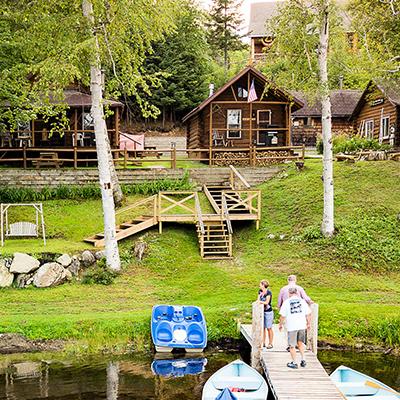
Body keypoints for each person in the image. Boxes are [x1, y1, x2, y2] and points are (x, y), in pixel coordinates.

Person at [279, 287, 311, 369]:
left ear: (289, 293)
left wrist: (280, 324)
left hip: (292, 326)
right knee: (300, 343)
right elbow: (308, 314)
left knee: (292, 345)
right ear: (296, 293)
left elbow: (282, 315)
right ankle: (303, 360)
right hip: (302, 325)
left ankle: (294, 362)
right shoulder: (302, 301)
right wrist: (308, 323)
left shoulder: (286, 302)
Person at [258, 279, 274, 349]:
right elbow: (258, 299)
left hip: (268, 312)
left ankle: (270, 343)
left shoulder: (268, 292)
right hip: (262, 312)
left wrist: (260, 302)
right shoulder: (260, 291)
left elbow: (267, 302)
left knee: (269, 328)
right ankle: (263, 342)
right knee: (263, 327)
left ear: (263, 285)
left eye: (260, 284)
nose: (259, 285)